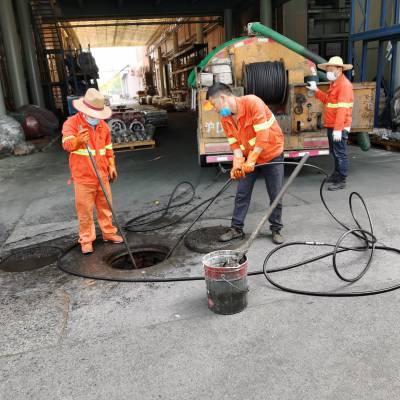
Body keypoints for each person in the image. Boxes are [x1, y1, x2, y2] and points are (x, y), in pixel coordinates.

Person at [205, 83, 285, 244]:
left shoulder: (252, 103)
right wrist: (237, 163)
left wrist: (251, 161)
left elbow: (263, 137)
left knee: (275, 194)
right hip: (249, 156)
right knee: (242, 193)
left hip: (271, 154)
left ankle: (276, 229)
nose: (214, 109)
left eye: (214, 104)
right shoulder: (225, 116)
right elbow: (234, 144)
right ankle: (236, 229)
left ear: (223, 98)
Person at [62, 88, 122, 254]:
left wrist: (111, 165)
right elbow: (66, 144)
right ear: (84, 110)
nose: (97, 119)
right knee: (85, 211)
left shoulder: (103, 126)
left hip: (101, 175)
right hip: (83, 177)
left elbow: (108, 148)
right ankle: (86, 240)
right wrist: (77, 140)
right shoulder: (72, 124)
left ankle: (109, 233)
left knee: (105, 207)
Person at [307, 56, 354, 191]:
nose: (328, 72)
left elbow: (342, 109)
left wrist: (338, 129)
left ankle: (342, 179)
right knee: (335, 152)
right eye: (327, 69)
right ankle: (336, 174)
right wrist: (316, 90)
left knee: (340, 153)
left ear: (339, 69)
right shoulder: (335, 84)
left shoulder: (344, 86)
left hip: (339, 126)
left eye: (330, 69)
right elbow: (328, 100)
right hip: (332, 124)